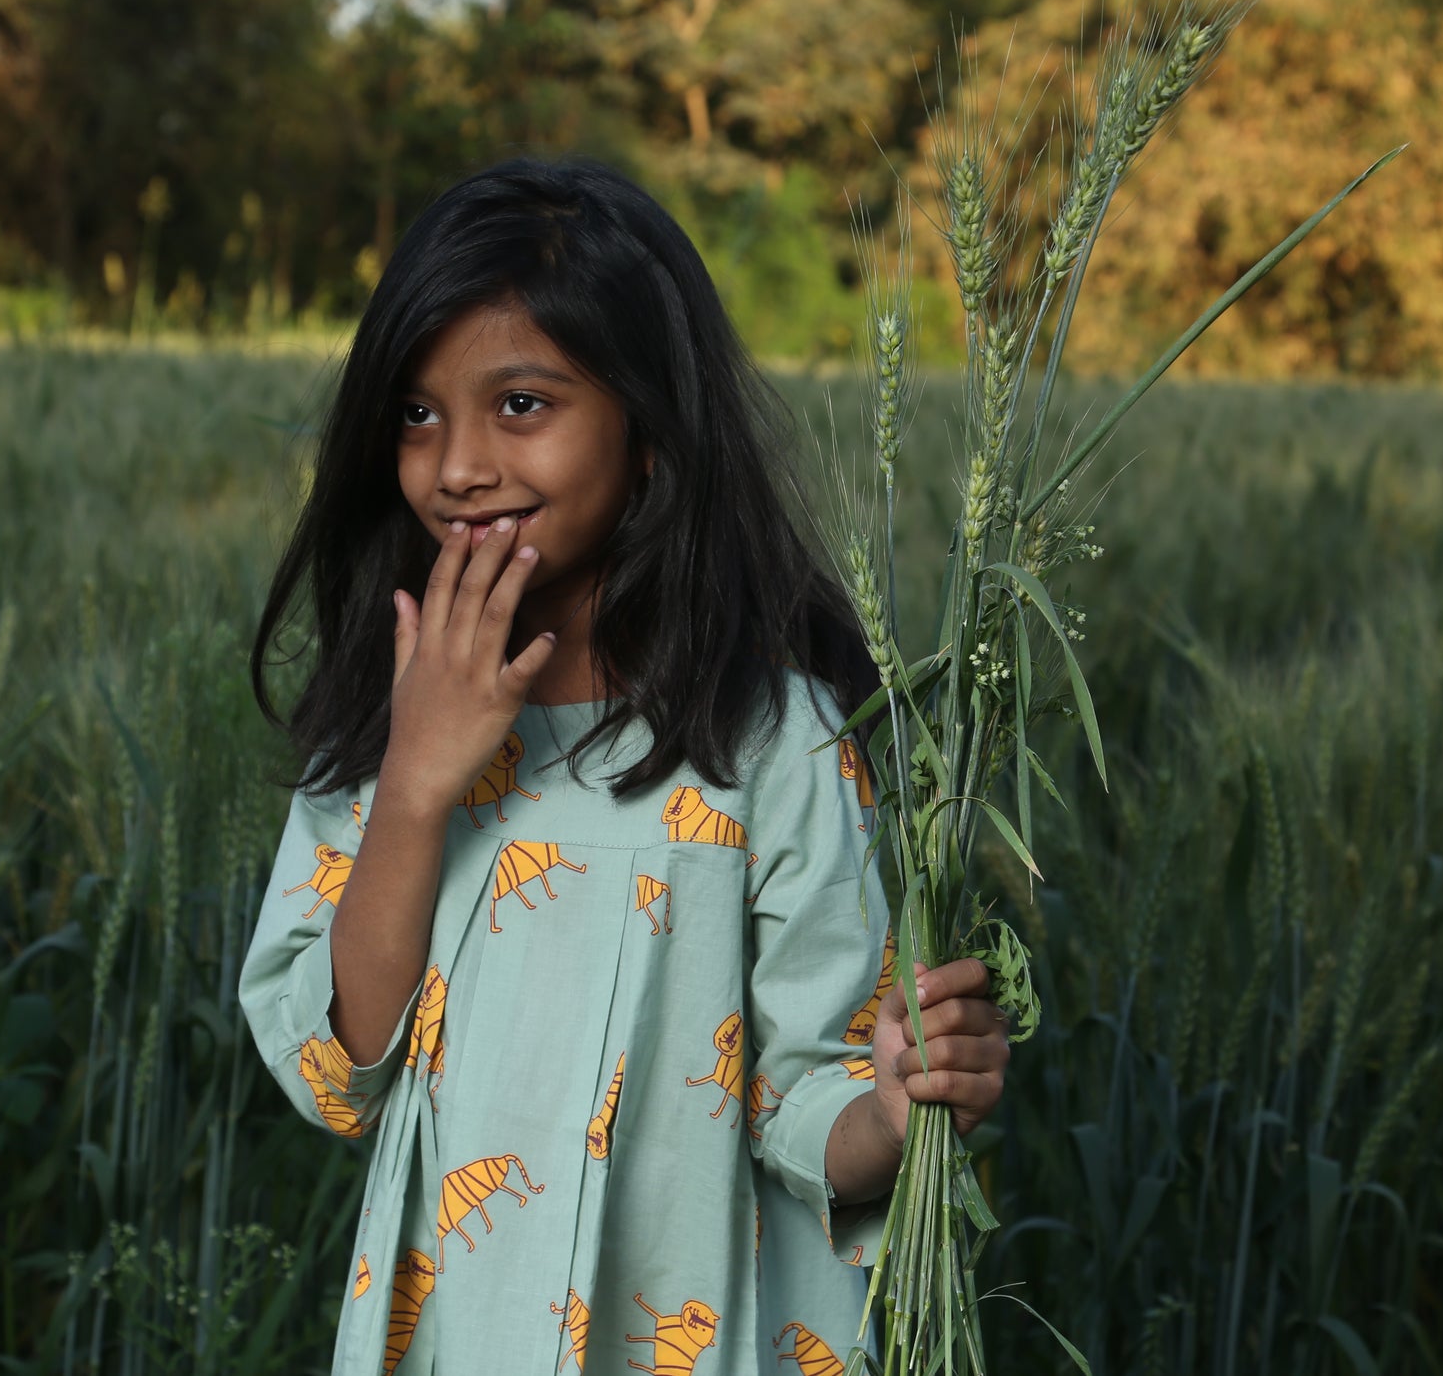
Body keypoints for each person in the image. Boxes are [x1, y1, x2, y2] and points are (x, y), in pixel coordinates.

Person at [240, 154, 1011, 1375]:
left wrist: (899, 1107)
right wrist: (419, 782)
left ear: (650, 431)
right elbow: (340, 1071)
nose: (456, 466)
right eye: (416, 411)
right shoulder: (391, 712)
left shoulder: (775, 740)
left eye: (522, 406)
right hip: (461, 1337)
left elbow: (806, 1101)